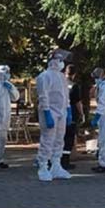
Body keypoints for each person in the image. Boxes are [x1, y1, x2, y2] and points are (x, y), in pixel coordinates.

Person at [36, 49, 73, 182]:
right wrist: (46, 112)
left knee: (59, 139)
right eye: (60, 60)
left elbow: (65, 95)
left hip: (61, 111)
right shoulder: (44, 76)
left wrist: (68, 110)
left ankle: (56, 165)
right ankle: (43, 166)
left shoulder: (61, 76)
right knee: (47, 139)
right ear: (54, 61)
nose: (62, 63)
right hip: (50, 110)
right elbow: (43, 96)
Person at [61, 64, 84, 170]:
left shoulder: (59, 83)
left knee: (58, 137)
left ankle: (53, 160)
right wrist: (82, 114)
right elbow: (77, 102)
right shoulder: (74, 86)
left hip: (59, 113)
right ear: (74, 74)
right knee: (69, 138)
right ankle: (65, 161)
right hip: (71, 114)